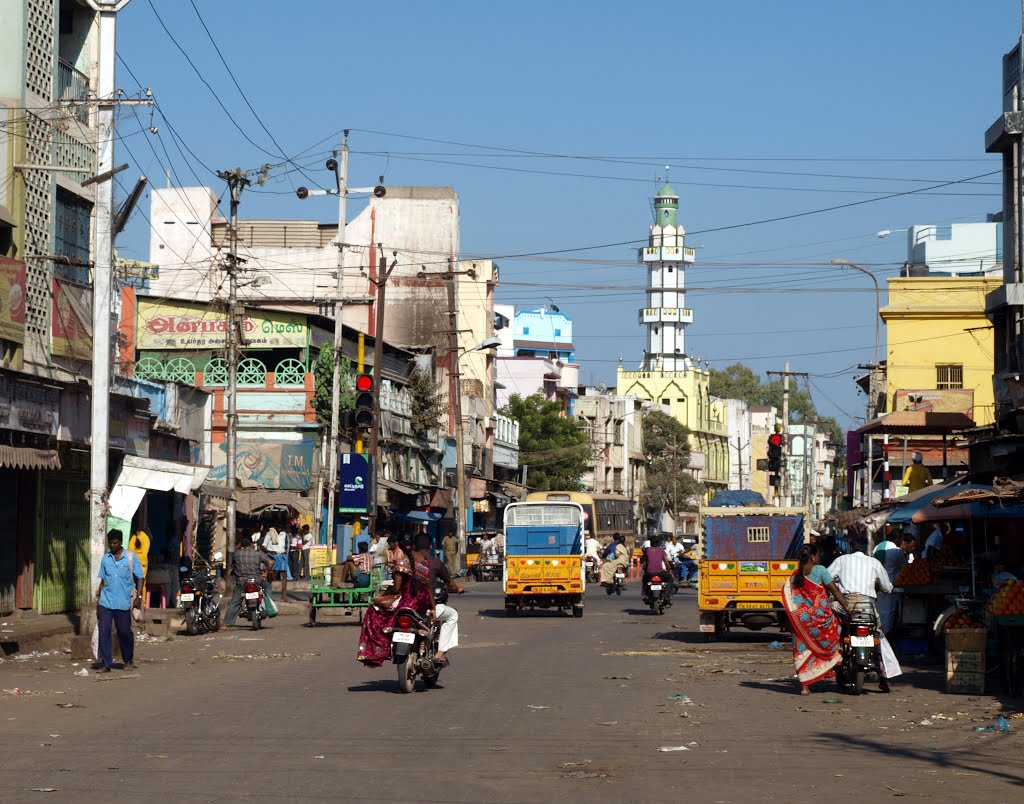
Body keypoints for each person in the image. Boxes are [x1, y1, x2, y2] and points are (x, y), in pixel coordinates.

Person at [827, 535, 900, 692]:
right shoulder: (874, 562)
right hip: (868, 608)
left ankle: (834, 651)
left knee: (830, 608)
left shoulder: (842, 560)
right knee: (878, 635)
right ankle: (885, 674)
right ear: (866, 548)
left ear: (851, 547)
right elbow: (887, 587)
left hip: (847, 607)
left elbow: (827, 577)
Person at [781, 543, 850, 695]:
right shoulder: (820, 570)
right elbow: (835, 590)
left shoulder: (795, 574)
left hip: (801, 622)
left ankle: (805, 687)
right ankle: (836, 670)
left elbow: (792, 600)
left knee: (801, 649)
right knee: (838, 633)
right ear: (812, 557)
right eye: (818, 555)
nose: (819, 557)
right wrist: (847, 608)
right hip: (822, 619)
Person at [357, 534, 434, 667]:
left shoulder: (402, 563)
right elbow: (429, 588)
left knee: (373, 613)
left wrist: (386, 592)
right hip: (422, 604)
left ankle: (377, 651)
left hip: (407, 604)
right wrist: (433, 608)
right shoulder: (425, 563)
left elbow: (397, 588)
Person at [95, 530, 144, 673]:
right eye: (110, 543)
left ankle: (128, 659)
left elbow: (140, 577)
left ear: (121, 542)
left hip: (123, 602)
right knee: (104, 631)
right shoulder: (106, 559)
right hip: (106, 602)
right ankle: (106, 663)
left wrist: (139, 597)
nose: (112, 545)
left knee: (124, 632)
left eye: (115, 542)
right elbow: (103, 581)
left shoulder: (130, 557)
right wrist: (98, 603)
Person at [421, 532, 464, 665]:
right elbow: (450, 583)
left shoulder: (405, 563)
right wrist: (457, 589)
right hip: (428, 608)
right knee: (453, 615)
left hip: (408, 608)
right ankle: (440, 654)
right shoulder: (435, 563)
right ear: (429, 547)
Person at [222, 534, 274, 629]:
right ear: (251, 544)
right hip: (257, 580)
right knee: (268, 587)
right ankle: (267, 607)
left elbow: (232, 566)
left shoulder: (236, 554)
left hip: (241, 581)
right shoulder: (257, 553)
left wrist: (238, 546)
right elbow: (271, 562)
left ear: (241, 544)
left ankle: (225, 624)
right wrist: (266, 573)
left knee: (235, 601)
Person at [873, 533, 915, 633]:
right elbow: (906, 567)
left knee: (879, 612)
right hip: (890, 586)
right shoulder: (896, 551)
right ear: (897, 539)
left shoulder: (877, 547)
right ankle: (886, 636)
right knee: (889, 613)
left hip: (878, 585)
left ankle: (878, 632)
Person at [262, 526, 291, 601]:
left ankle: (284, 596)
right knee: (271, 575)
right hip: (272, 556)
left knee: (284, 575)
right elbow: (263, 547)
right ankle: (267, 595)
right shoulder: (269, 534)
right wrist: (270, 552)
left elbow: (285, 545)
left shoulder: (283, 534)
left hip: (282, 556)